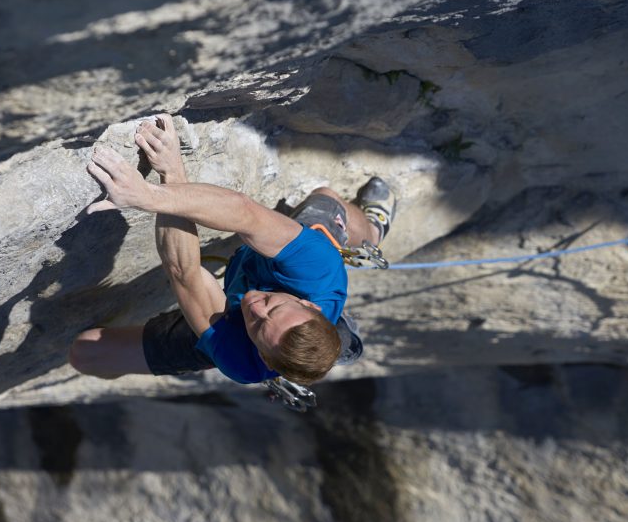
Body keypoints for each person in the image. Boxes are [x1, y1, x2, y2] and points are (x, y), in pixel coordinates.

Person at [68, 114, 395, 386]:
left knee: (85, 354)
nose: (255, 307)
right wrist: (153, 190)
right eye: (272, 306)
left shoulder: (244, 360)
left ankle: (225, 341)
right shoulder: (319, 273)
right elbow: (245, 214)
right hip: (295, 270)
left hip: (233, 335)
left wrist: (171, 178)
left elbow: (184, 273)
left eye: (258, 326)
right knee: (326, 198)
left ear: (264, 356)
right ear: (306, 303)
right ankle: (373, 228)